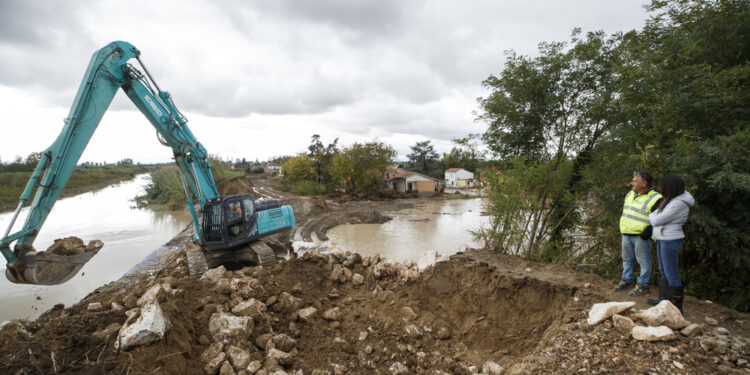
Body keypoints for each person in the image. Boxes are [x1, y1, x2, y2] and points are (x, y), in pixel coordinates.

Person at [647, 176, 694, 313]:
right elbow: (656, 215)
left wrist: (652, 216)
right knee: (663, 270)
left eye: (661, 186)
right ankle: (663, 300)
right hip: (662, 238)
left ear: (670, 187)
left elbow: (656, 220)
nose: (659, 188)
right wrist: (654, 216)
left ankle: (676, 307)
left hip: (670, 240)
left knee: (671, 272)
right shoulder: (671, 200)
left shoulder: (678, 204)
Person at [616, 172, 662, 296]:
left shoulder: (656, 197)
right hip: (626, 233)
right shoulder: (630, 194)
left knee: (644, 262)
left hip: (641, 236)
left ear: (644, 183)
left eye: (635, 181)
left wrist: (647, 233)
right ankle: (626, 280)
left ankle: (642, 286)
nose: (632, 183)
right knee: (627, 259)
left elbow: (659, 218)